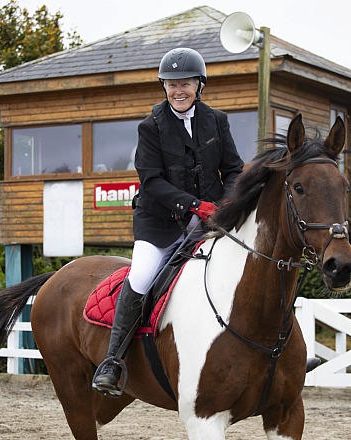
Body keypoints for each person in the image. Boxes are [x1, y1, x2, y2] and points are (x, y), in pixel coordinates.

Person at [92, 47, 245, 396]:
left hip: (209, 222)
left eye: (185, 84)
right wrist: (194, 205)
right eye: (172, 84)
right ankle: (112, 361)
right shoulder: (150, 127)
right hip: (159, 224)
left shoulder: (217, 121)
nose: (178, 90)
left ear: (198, 86)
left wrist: (223, 205)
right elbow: (151, 181)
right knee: (143, 276)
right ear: (164, 87)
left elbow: (234, 169)